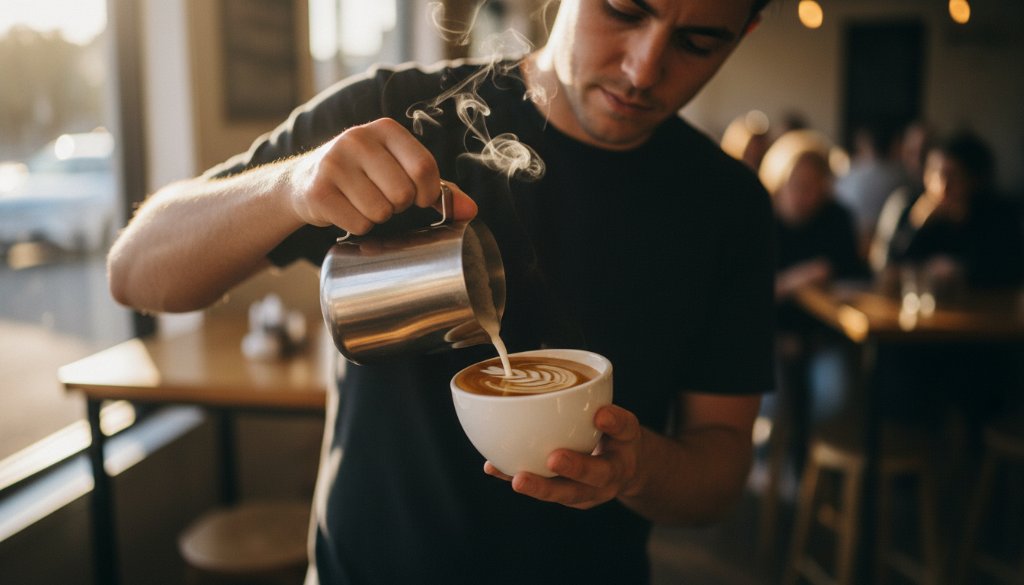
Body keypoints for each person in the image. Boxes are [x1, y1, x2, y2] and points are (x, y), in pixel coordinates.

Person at [107, 1, 777, 584]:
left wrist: (640, 470)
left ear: (743, 34)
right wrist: (291, 187)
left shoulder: (729, 206)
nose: (642, 67)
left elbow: (719, 466)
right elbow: (136, 271)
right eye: (625, 9)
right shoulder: (391, 115)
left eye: (696, 42)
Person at [757, 129, 867, 467]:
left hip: (823, 337)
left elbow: (860, 279)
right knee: (780, 394)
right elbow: (747, 295)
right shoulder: (760, 219)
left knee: (833, 397)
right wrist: (795, 280)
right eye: (797, 184)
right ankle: (789, 458)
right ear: (779, 181)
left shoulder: (837, 218)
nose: (806, 194)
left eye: (815, 184)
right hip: (769, 339)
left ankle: (807, 459)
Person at [833, 120, 909, 257]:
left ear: (865, 144)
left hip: (850, 247)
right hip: (888, 250)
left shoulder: (851, 175)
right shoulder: (903, 176)